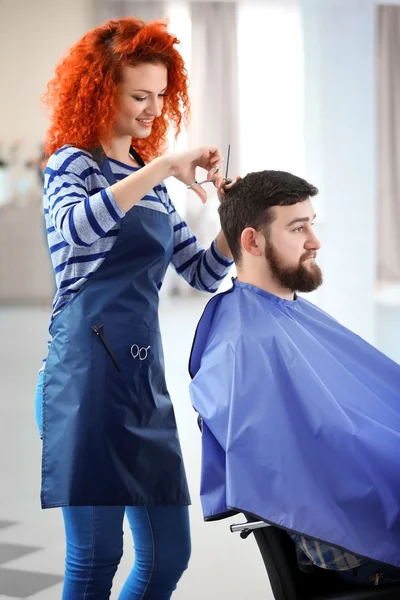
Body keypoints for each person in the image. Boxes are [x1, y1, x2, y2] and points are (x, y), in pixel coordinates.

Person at [36, 17, 233, 599]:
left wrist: (233, 222)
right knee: (96, 557)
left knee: (168, 554)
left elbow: (198, 271)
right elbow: (73, 233)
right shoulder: (70, 164)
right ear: (101, 91)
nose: (153, 110)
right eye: (138, 96)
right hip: (85, 384)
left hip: (143, 383)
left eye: (162, 97)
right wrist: (161, 168)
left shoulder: (153, 182)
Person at [189, 170, 400, 587]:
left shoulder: (281, 313)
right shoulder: (243, 344)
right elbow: (311, 458)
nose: (314, 241)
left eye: (312, 224)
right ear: (252, 241)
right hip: (350, 539)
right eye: (297, 228)